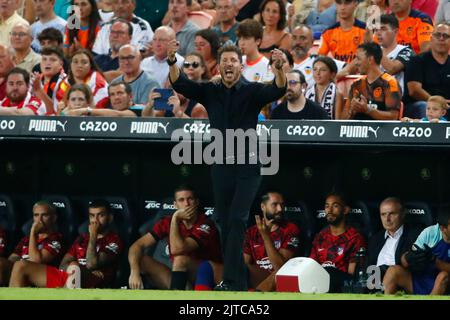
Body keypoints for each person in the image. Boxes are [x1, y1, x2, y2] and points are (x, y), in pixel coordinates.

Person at [169, 40, 286, 291]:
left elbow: (276, 90)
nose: (229, 64)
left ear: (241, 66)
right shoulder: (210, 91)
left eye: (233, 60)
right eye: (224, 61)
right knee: (223, 219)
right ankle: (233, 280)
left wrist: (278, 69)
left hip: (248, 165)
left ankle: (233, 282)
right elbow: (180, 84)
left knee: (237, 218)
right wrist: (171, 60)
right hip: (220, 165)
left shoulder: (253, 91)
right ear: (218, 68)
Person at [9, 199, 124, 289]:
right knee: (21, 265)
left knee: (74, 266)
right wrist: (70, 267)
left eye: (101, 215)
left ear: (110, 218)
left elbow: (91, 264)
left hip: (92, 280)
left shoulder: (114, 240)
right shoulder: (81, 238)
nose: (95, 221)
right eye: (92, 216)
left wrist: (93, 235)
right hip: (67, 276)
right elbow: (62, 265)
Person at [128, 185, 222, 290]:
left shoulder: (206, 224)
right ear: (175, 205)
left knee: (180, 259)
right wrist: (134, 272)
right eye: (181, 200)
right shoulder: (165, 222)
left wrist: (175, 218)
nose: (186, 204)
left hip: (205, 276)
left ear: (197, 202)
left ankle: (177, 295)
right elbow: (136, 246)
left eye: (190, 199)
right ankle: (180, 292)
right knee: (139, 258)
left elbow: (178, 249)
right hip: (181, 276)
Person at [383, 205, 450, 295]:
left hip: (442, 285)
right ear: (442, 228)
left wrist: (435, 261)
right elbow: (405, 262)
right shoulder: (429, 233)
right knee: (393, 271)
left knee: (443, 276)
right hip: (420, 279)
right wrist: (408, 257)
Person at [243, 191, 301, 292]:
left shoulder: (290, 229)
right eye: (275, 205)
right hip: (259, 275)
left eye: (282, 205)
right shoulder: (251, 232)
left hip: (280, 277)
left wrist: (266, 236)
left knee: (279, 272)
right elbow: (245, 263)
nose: (280, 209)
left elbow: (281, 268)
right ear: (263, 207)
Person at [309, 192, 366, 293]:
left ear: (345, 210)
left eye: (335, 206)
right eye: (327, 206)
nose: (329, 210)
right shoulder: (320, 236)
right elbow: (311, 265)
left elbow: (352, 276)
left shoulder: (355, 237)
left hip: (343, 285)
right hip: (319, 284)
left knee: (330, 273)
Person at [0, 200, 63, 286]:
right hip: (21, 270)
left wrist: (33, 232)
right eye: (36, 215)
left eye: (44, 215)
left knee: (20, 265)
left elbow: (35, 261)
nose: (39, 220)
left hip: (43, 275)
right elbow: (13, 257)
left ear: (54, 218)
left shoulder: (56, 238)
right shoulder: (26, 239)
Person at [341, 42, 401, 120]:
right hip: (358, 130)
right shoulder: (357, 84)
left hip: (381, 131)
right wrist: (351, 111)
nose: (356, 63)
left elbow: (393, 117)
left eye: (358, 59)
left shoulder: (390, 83)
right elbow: (342, 120)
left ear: (370, 59)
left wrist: (368, 110)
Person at [404, 23, 450, 119]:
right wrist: (438, 104)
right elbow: (414, 90)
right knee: (426, 107)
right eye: (437, 35)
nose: (441, 38)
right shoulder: (417, 61)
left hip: (446, 106)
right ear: (431, 38)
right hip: (419, 105)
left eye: (445, 36)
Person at [368, 197, 421, 280]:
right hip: (374, 281)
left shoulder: (414, 236)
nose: (387, 219)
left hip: (399, 282)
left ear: (403, 214)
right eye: (383, 214)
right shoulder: (375, 239)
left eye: (392, 214)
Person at [143, 53, 208, 119]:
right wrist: (149, 106)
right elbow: (149, 119)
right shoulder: (168, 99)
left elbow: (199, 127)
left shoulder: (199, 106)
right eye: (172, 87)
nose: (177, 91)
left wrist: (178, 113)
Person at [375, 14, 415, 94]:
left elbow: (392, 69)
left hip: (399, 100)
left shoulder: (407, 51)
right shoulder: (373, 51)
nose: (378, 33)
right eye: (376, 30)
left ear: (395, 31)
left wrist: (374, 49)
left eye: (383, 29)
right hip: (375, 97)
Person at [31, 47, 70, 115]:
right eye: (44, 59)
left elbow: (56, 111)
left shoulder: (66, 83)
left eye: (52, 60)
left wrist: (39, 90)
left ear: (61, 64)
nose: (47, 63)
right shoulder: (35, 79)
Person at [236, 19, 270, 83]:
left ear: (258, 41)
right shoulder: (237, 63)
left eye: (246, 38)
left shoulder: (267, 66)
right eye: (239, 38)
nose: (241, 43)